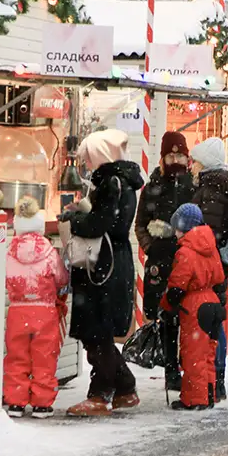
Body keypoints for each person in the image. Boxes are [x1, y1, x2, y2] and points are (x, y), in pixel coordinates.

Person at [63, 129, 144, 417]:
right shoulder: (123, 181)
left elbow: (102, 224)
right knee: (100, 334)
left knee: (96, 333)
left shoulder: (111, 182)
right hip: (113, 262)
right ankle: (114, 391)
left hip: (103, 266)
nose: (86, 163)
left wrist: (75, 219)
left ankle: (112, 390)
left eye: (88, 156)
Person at [133, 131, 195, 392]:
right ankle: (171, 369)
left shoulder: (194, 185)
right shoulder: (153, 187)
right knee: (166, 317)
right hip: (162, 261)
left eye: (179, 156)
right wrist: (152, 247)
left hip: (188, 261)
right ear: (163, 158)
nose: (175, 160)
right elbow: (140, 225)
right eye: (170, 156)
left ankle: (188, 366)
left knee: (189, 317)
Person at [191, 136, 228, 400]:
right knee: (214, 319)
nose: (191, 166)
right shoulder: (222, 188)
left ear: (204, 163)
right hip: (216, 264)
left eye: (195, 161)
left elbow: (208, 235)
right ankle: (215, 379)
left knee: (211, 323)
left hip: (208, 266)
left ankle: (214, 380)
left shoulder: (211, 192)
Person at [4, 197, 69, 418]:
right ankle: (42, 403)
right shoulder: (48, 251)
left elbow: (4, 276)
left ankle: (16, 402)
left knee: (16, 356)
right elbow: (61, 278)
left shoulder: (9, 250)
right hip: (44, 310)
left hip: (18, 310)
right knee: (44, 357)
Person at [159, 204, 225, 411]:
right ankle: (208, 394)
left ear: (183, 227)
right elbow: (220, 276)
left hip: (195, 305)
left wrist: (166, 306)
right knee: (208, 354)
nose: (175, 233)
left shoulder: (186, 252)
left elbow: (177, 285)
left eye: (177, 228)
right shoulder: (210, 248)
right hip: (213, 301)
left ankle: (195, 400)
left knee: (193, 355)